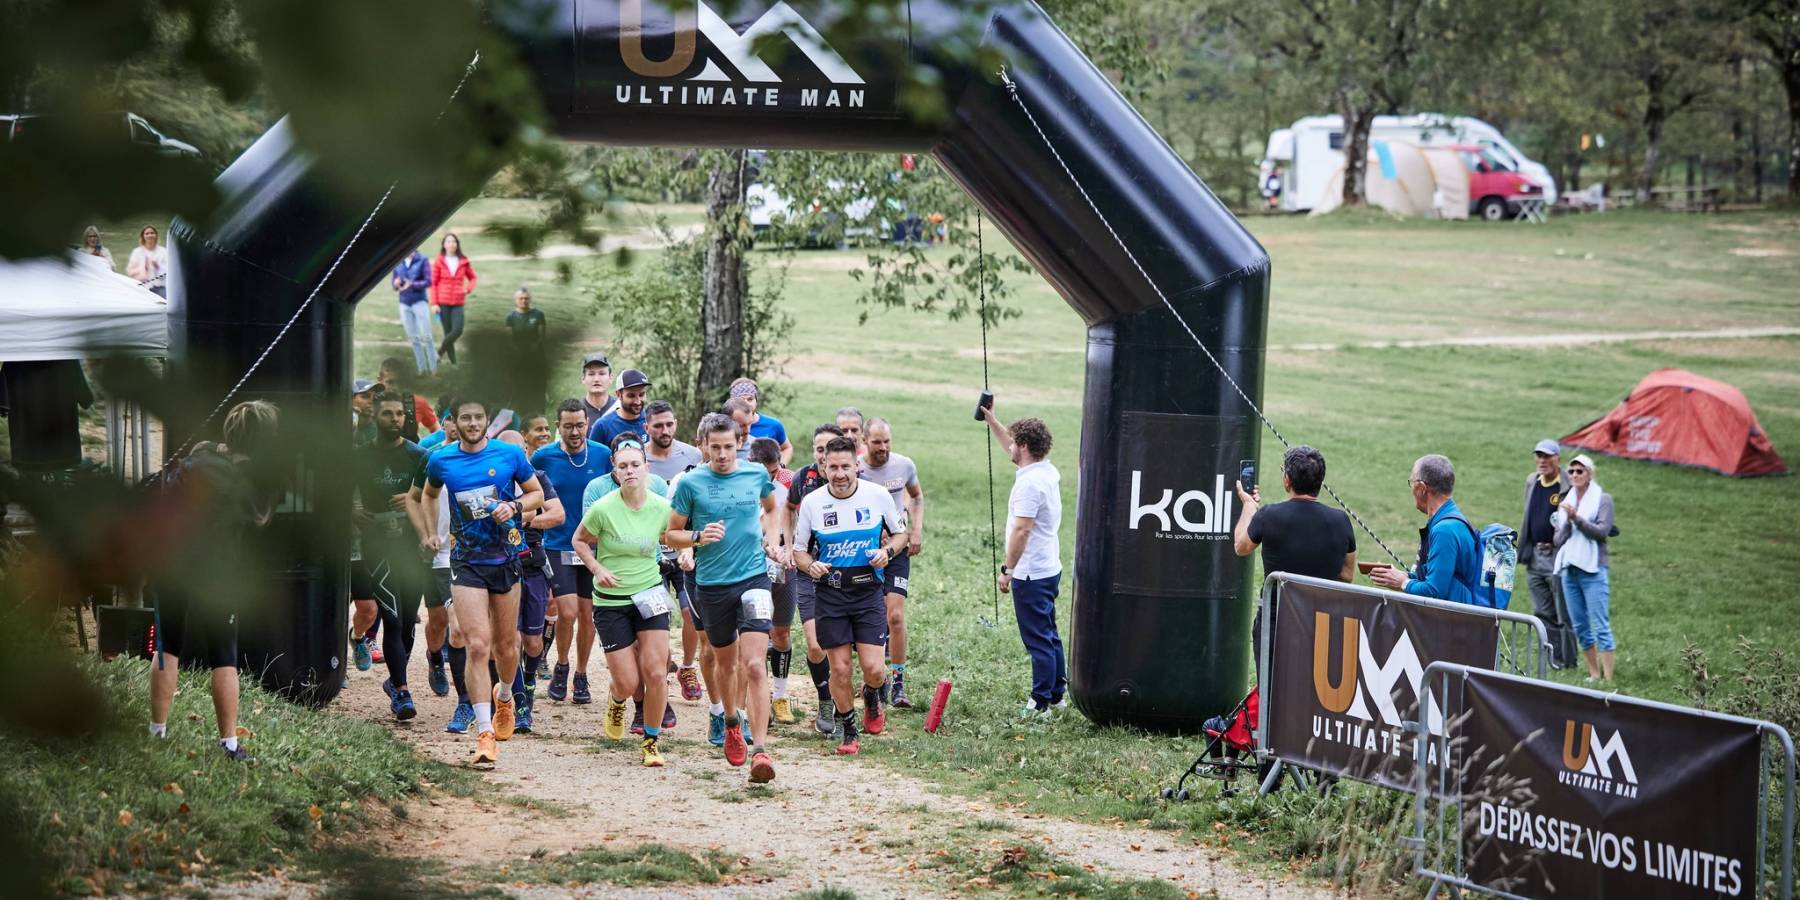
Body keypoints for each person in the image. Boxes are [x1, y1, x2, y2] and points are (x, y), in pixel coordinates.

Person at [146, 400, 281, 761]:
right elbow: (261, 518)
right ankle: (229, 744)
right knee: (224, 656)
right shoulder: (250, 481)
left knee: (167, 648)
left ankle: (156, 732)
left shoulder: (195, 459)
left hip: (172, 567)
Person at [420, 398, 546, 769]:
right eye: (466, 418)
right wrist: (431, 532)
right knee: (477, 644)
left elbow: (536, 494)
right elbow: (428, 493)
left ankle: (504, 695)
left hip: (505, 559)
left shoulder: (509, 454)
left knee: (507, 647)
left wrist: (516, 506)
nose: (473, 423)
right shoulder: (441, 460)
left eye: (478, 417)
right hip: (466, 563)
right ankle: (484, 732)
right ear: (454, 422)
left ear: (487, 420)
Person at [666, 413, 782, 783]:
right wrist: (698, 537)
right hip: (713, 584)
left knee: (755, 664)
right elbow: (670, 534)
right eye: (714, 447)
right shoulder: (691, 483)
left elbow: (772, 507)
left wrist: (772, 539)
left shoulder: (755, 474)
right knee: (726, 663)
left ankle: (760, 750)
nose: (722, 454)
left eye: (728, 447)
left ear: (740, 444)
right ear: (703, 446)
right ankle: (731, 720)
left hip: (754, 577)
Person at [793, 435, 909, 755]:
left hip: (868, 592)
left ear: (857, 466)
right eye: (833, 467)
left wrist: (887, 552)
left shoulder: (877, 495)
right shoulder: (813, 503)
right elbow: (799, 552)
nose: (840, 474)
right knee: (841, 669)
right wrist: (811, 565)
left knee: (875, 670)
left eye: (846, 467)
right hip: (830, 595)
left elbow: (901, 535)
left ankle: (871, 695)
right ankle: (848, 729)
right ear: (824, 467)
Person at [573, 438, 676, 767]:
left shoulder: (661, 506)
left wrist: (690, 548)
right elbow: (579, 540)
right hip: (611, 601)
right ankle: (618, 699)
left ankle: (651, 741)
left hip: (650, 593)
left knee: (656, 672)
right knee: (629, 682)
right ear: (615, 473)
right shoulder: (603, 508)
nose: (630, 471)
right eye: (623, 466)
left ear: (647, 468)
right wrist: (597, 568)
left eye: (635, 465)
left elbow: (672, 535)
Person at [980, 400, 1066, 716]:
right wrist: (992, 420)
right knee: (1049, 634)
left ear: (1025, 446)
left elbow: (1021, 531)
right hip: (1048, 568)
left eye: (1016, 442)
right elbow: (1010, 448)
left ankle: (1040, 702)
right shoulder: (1045, 470)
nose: (1011, 447)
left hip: (1030, 573)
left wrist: (1008, 569)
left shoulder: (1029, 484)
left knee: (1038, 640)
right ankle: (1057, 695)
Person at [1232, 444, 1356, 662]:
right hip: (1322, 623)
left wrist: (1249, 505)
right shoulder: (1341, 520)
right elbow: (1347, 574)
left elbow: (1241, 547)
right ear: (1320, 481)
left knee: (1272, 681)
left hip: (1276, 624)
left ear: (1287, 480)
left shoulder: (1269, 515)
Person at [352, 394, 432, 721]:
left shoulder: (419, 456)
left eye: (400, 413)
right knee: (393, 618)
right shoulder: (359, 455)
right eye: (388, 413)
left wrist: (414, 500)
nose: (395, 418)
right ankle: (401, 690)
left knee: (409, 619)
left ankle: (395, 680)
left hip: (411, 547)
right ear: (375, 417)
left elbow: (434, 497)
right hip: (377, 545)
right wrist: (353, 511)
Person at [531, 399, 613, 707]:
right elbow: (531, 493)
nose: (575, 432)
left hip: (594, 547)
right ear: (558, 427)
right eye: (568, 426)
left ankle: (581, 674)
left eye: (580, 425)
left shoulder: (602, 455)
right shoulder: (543, 456)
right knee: (566, 612)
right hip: (557, 544)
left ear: (587, 423)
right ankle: (562, 665)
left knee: (588, 615)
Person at [496, 430, 563, 734]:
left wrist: (519, 517)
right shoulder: (491, 479)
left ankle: (531, 679)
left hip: (533, 564)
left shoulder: (538, 478)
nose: (514, 459)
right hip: (501, 565)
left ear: (526, 451)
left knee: (533, 642)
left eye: (519, 452)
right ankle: (520, 703)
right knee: (512, 640)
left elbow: (557, 515)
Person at [643, 400, 705, 700]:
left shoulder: (692, 455)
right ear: (646, 428)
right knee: (658, 617)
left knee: (690, 613)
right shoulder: (638, 459)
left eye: (669, 424)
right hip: (650, 551)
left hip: (684, 549)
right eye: (658, 426)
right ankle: (663, 665)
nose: (665, 430)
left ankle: (688, 667)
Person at [786, 424, 847, 734]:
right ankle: (825, 700)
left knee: (840, 648)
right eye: (819, 449)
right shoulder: (804, 478)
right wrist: (788, 544)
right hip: (807, 571)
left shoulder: (852, 479)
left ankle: (844, 703)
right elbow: (787, 509)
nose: (824, 456)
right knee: (814, 645)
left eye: (830, 449)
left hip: (844, 572)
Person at [861, 418, 924, 709]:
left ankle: (898, 684)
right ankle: (873, 679)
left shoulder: (904, 465)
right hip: (865, 554)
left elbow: (917, 497)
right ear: (865, 441)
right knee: (871, 617)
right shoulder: (856, 470)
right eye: (877, 442)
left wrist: (915, 530)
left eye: (887, 441)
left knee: (895, 616)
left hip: (897, 551)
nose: (883, 447)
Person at [1369, 455, 1481, 604]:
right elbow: (1439, 578)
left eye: (1412, 483)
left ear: (1422, 488)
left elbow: (1435, 592)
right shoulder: (1449, 521)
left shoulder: (1444, 531)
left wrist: (1403, 583)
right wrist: (1402, 577)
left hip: (1453, 618)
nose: (1411, 489)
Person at [748, 438, 800, 724]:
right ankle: (759, 699)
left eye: (773, 472)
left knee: (780, 632)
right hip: (750, 566)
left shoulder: (789, 483)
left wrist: (788, 547)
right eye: (764, 473)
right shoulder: (739, 482)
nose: (769, 478)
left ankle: (780, 696)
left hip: (783, 565)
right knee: (755, 635)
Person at [1552, 454, 1616, 683]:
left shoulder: (1603, 499)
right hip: (1569, 568)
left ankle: (1609, 678)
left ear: (1590, 474)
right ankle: (1594, 673)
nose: (1575, 475)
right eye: (1571, 471)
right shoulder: (1565, 500)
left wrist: (1576, 518)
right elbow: (1558, 539)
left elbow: (1602, 532)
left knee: (1601, 624)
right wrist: (1569, 522)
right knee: (1580, 625)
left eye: (1580, 471)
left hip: (1593, 570)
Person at [1520, 440, 1571, 646]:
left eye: (1548, 456)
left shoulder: (1568, 485)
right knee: (1542, 612)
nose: (1542, 461)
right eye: (1539, 456)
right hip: (1535, 555)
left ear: (1558, 458)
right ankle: (1552, 656)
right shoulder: (1532, 481)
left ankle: (1568, 658)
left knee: (1563, 612)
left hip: (1558, 556)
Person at [430, 234, 477, 365]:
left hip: (458, 302)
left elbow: (473, 278)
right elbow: (433, 283)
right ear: (444, 245)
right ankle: (453, 364)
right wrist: (434, 303)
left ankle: (439, 353)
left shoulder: (463, 261)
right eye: (448, 241)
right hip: (443, 302)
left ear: (457, 244)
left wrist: (468, 289)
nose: (451, 244)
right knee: (448, 333)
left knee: (457, 330)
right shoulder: (439, 261)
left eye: (454, 241)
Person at [505, 287, 549, 417]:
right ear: (516, 300)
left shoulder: (538, 315)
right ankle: (521, 414)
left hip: (536, 356)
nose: (524, 301)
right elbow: (509, 338)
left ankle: (540, 413)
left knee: (538, 385)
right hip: (518, 356)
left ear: (530, 300)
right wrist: (517, 350)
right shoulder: (511, 317)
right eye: (521, 298)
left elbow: (542, 335)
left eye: (526, 298)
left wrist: (535, 347)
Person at [392, 248, 436, 375]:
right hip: (404, 304)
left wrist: (413, 284)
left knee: (427, 337)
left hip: (419, 302)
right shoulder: (398, 261)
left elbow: (428, 281)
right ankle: (421, 369)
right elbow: (394, 284)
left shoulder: (422, 260)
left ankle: (433, 368)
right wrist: (395, 283)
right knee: (414, 338)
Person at [728, 378, 792, 465]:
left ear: (756, 401)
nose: (747, 403)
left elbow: (787, 448)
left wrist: (780, 467)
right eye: (741, 400)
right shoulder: (726, 425)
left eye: (750, 399)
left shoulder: (773, 425)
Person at [376, 358, 439, 442]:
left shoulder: (418, 402)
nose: (396, 387)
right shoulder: (371, 402)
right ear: (380, 380)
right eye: (390, 382)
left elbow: (437, 431)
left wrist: (425, 445)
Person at [590, 369, 652, 446]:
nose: (638, 401)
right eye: (631, 396)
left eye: (641, 395)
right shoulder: (602, 426)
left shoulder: (651, 421)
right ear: (619, 394)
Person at [126, 224, 168, 293]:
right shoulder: (137, 252)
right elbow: (130, 272)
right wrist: (144, 267)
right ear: (143, 236)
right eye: (147, 233)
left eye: (152, 233)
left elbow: (169, 272)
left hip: (160, 286)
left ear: (156, 235)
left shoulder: (163, 251)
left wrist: (157, 266)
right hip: (142, 286)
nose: (150, 235)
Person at [580, 353, 616, 427]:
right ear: (583, 378)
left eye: (602, 374)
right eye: (591, 374)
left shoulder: (619, 408)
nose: (596, 379)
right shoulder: (576, 411)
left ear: (610, 378)